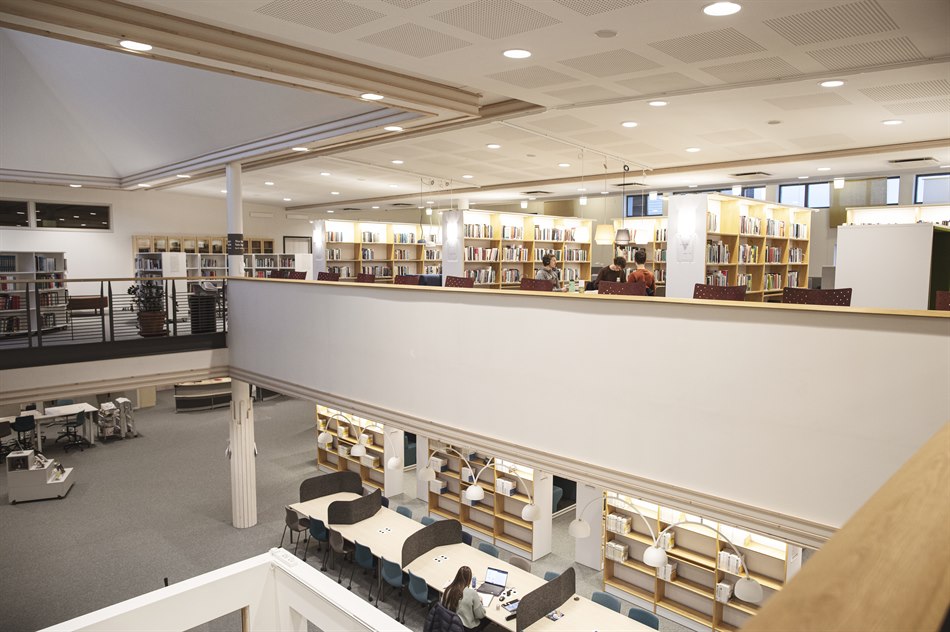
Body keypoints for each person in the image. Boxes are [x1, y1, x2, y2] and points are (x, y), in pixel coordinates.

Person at [441, 566, 487, 631]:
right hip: (466, 628)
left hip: (449, 622)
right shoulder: (472, 593)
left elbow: (442, 605)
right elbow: (481, 615)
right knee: (486, 619)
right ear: (469, 579)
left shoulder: (448, 589)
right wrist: (480, 603)